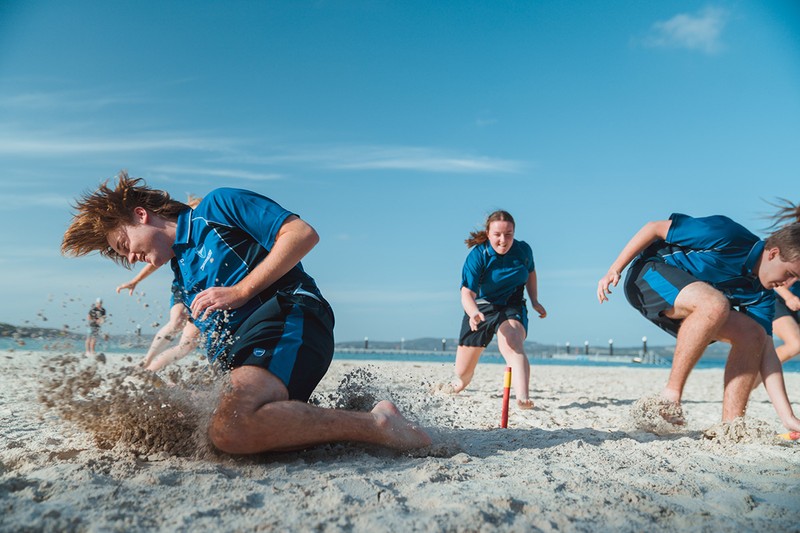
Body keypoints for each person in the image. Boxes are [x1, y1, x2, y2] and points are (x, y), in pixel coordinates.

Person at [62, 172, 431, 454]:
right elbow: (190, 329)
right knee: (197, 421)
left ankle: (378, 423)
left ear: (141, 215)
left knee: (232, 427)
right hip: (242, 353)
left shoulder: (217, 207)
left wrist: (242, 290)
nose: (129, 258)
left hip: (287, 316)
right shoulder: (182, 271)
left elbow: (302, 234)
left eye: (125, 245)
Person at [597, 212, 800, 431]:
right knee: (715, 303)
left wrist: (789, 418)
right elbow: (654, 228)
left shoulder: (762, 294)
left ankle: (731, 425)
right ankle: (670, 397)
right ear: (773, 253)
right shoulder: (728, 234)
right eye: (789, 273)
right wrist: (614, 269)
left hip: (697, 307)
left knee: (755, 335)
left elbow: (768, 354)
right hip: (648, 276)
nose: (788, 284)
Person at [447, 210, 547, 409]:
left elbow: (531, 272)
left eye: (508, 234)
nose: (503, 240)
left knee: (513, 344)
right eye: (497, 234)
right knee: (462, 372)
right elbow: (467, 293)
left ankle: (523, 397)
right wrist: (473, 312)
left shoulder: (523, 250)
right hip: (481, 307)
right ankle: (459, 385)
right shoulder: (478, 255)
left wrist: (534, 300)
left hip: (512, 304)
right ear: (488, 232)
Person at [116, 195, 203, 371]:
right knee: (177, 320)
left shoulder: (204, 236)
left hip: (202, 289)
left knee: (187, 344)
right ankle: (146, 361)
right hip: (182, 286)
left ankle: (150, 370)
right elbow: (152, 262)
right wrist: (135, 281)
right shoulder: (177, 235)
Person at [769, 199, 800, 366]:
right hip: (777, 298)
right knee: (795, 344)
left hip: (796, 303)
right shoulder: (791, 238)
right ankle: (748, 380)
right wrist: (787, 296)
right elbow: (772, 271)